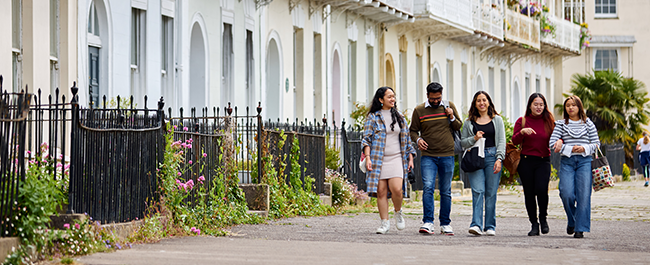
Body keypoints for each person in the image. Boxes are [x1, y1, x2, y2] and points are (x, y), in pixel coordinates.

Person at [410, 82, 462, 235]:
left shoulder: (448, 106)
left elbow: (458, 126)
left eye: (438, 98)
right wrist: (418, 140)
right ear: (427, 96)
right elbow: (412, 131)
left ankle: (445, 223)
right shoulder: (419, 110)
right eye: (432, 99)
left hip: (447, 154)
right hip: (428, 156)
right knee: (428, 188)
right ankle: (428, 222)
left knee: (446, 191)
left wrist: (451, 116)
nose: (435, 101)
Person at [362, 86, 416, 234]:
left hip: (397, 158)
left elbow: (407, 141)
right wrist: (367, 158)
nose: (393, 99)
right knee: (381, 191)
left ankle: (398, 212)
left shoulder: (399, 117)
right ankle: (384, 223)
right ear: (381, 100)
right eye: (389, 97)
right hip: (378, 159)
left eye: (393, 96)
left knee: (397, 190)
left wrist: (410, 158)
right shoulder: (373, 117)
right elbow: (366, 140)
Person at [549, 95, 600, 239]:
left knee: (583, 195)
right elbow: (552, 143)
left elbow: (596, 144)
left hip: (584, 162)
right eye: (568, 105)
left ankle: (580, 228)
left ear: (579, 107)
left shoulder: (588, 123)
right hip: (567, 162)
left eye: (574, 105)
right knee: (566, 193)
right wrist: (568, 148)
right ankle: (572, 220)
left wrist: (583, 148)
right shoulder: (561, 124)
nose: (570, 108)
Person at [460, 91, 506, 236]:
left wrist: (499, 158)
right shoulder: (468, 123)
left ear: (489, 102)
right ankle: (476, 224)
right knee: (478, 191)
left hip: (493, 157)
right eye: (478, 100)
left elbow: (501, 141)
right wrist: (474, 138)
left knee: (491, 193)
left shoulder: (497, 120)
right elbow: (463, 143)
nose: (481, 103)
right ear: (475, 103)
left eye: (484, 100)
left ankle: (490, 225)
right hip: (475, 157)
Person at [512, 93, 555, 236]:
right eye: (535, 104)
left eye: (541, 104)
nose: (538, 107)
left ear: (545, 106)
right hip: (526, 161)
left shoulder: (549, 121)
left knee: (542, 190)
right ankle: (534, 224)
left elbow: (557, 137)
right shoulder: (522, 121)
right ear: (530, 105)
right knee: (529, 193)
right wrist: (522, 132)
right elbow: (514, 141)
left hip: (543, 161)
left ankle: (543, 218)